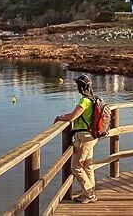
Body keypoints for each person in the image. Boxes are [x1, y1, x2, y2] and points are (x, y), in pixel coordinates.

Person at [54, 75, 98, 203]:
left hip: (83, 137)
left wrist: (60, 117)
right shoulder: (93, 99)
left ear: (80, 87)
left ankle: (89, 194)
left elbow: (72, 117)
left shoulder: (84, 101)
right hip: (92, 136)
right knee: (88, 166)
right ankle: (90, 193)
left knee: (76, 167)